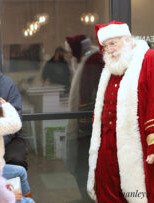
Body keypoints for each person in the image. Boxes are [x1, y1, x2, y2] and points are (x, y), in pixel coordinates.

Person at [87, 21, 154, 203]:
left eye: (113, 43)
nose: (109, 49)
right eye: (105, 46)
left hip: (141, 148)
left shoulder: (153, 61)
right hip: (107, 149)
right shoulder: (111, 68)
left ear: (127, 40)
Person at [65, 35, 104, 201]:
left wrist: (85, 125)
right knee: (82, 167)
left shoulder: (93, 61)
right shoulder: (87, 61)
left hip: (88, 129)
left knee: (83, 167)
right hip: (86, 127)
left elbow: (91, 97)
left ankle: (89, 197)